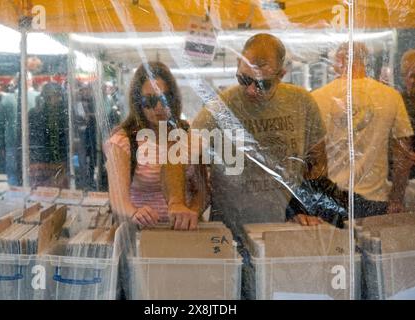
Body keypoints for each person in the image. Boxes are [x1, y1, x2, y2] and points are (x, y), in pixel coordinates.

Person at [165, 33, 328, 236]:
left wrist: (306, 206)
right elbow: (176, 156)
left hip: (288, 227)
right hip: (232, 230)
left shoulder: (301, 103)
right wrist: (177, 202)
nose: (251, 90)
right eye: (244, 79)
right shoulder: (221, 108)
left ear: (281, 74)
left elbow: (318, 161)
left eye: (262, 84)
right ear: (237, 64)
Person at [312, 42, 414, 217]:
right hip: (376, 199)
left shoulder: (317, 98)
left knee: (338, 245)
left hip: (332, 200)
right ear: (365, 61)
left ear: (339, 61)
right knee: (372, 244)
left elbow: (313, 157)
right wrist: (396, 200)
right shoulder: (390, 96)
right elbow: (403, 156)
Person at [104, 61, 206, 229]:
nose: (158, 107)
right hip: (143, 233)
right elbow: (118, 200)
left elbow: (201, 190)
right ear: (138, 103)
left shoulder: (187, 133)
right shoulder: (125, 140)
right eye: (149, 101)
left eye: (164, 99)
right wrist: (135, 213)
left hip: (184, 233)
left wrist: (192, 212)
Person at [28, 82, 69, 188]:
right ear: (47, 97)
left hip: (58, 158)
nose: (59, 99)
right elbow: (33, 137)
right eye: (56, 96)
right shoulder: (35, 113)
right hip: (42, 159)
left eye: (59, 96)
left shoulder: (63, 113)